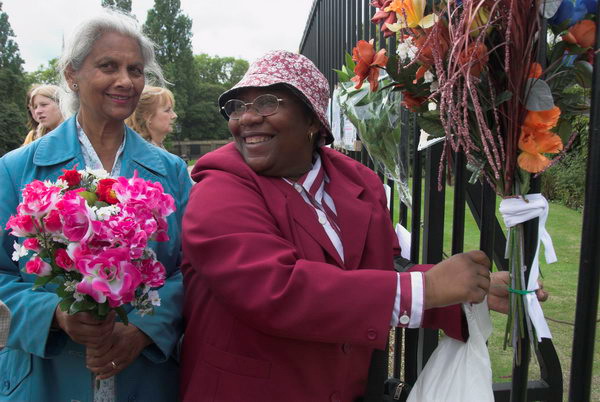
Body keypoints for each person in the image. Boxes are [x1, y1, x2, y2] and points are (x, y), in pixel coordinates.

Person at [179, 50, 543, 402]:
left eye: (268, 103)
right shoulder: (219, 187)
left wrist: (467, 293)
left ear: (312, 120)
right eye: (237, 107)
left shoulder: (359, 182)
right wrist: (423, 289)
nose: (246, 118)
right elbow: (273, 288)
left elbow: (375, 278)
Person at [0, 10, 191, 402]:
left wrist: (143, 329)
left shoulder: (170, 173)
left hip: (146, 379)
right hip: (44, 381)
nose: (125, 80)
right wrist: (53, 314)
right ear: (72, 75)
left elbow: (194, 270)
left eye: (135, 69)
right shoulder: (16, 170)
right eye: (108, 66)